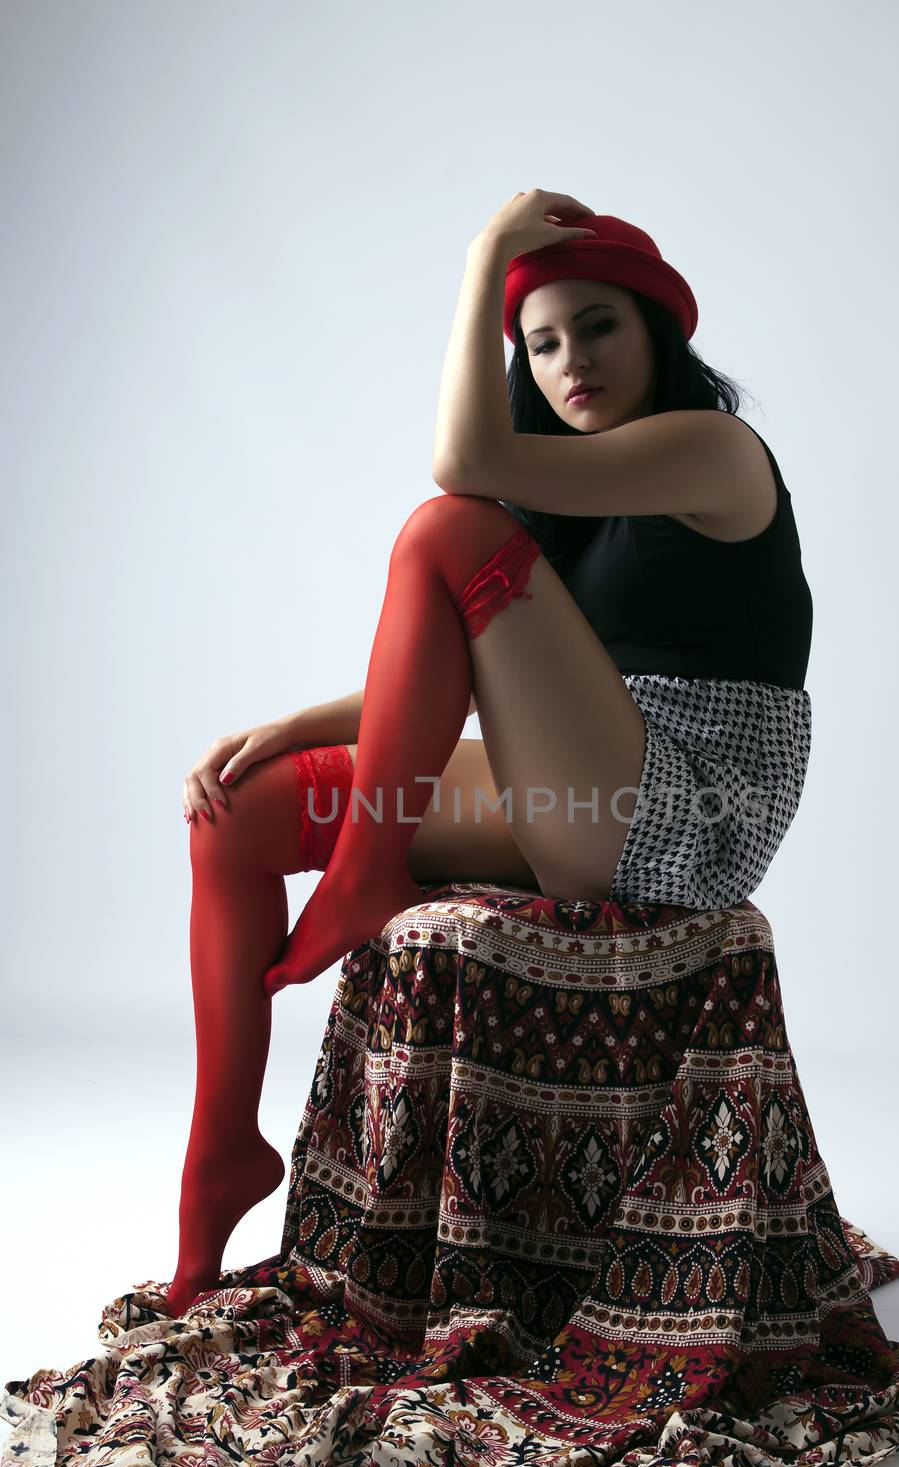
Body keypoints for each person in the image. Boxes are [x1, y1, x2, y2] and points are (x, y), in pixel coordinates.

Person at [167, 194, 813, 1319]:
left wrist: (484, 265)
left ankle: (367, 877)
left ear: (658, 329)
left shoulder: (713, 451)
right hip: (588, 776)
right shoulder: (566, 504)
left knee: (444, 524)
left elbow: (456, 463)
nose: (571, 363)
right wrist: (295, 727)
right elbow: (467, 672)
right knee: (243, 808)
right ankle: (221, 1152)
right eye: (543, 342)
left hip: (692, 806)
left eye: (597, 326)